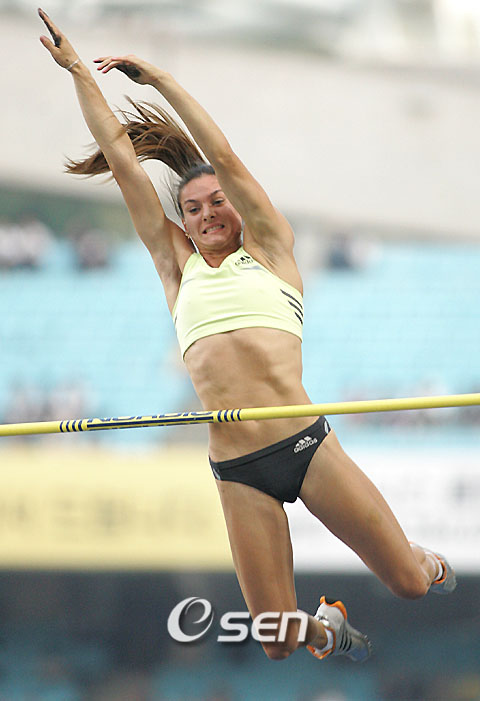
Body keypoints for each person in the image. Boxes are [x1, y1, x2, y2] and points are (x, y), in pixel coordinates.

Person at [38, 8, 456, 663]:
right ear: (183, 221)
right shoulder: (175, 268)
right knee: (278, 642)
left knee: (407, 582)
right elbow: (122, 161)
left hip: (306, 446)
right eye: (192, 209)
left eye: (217, 202)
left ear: (236, 206)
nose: (207, 213)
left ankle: (426, 560)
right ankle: (326, 627)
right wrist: (76, 72)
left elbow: (226, 158)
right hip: (237, 469)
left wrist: (164, 81)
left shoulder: (272, 251)